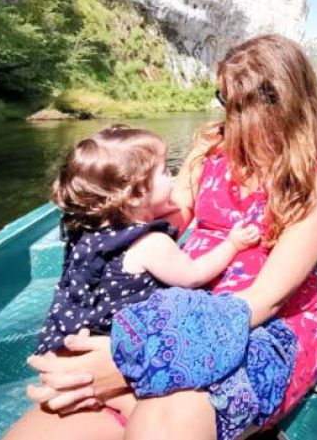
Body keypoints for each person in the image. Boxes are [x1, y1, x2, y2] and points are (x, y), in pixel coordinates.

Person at [4, 34, 317, 440]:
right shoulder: (213, 143)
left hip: (260, 327)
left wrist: (130, 360)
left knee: (164, 426)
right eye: (227, 102)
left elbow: (267, 298)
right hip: (162, 309)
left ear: (285, 101)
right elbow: (167, 214)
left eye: (244, 105)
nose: (234, 121)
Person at [32, 125, 260, 419]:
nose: (173, 177)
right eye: (165, 172)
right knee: (144, 412)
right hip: (111, 342)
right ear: (136, 195)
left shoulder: (87, 232)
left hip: (65, 340)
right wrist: (232, 244)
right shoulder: (150, 242)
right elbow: (193, 274)